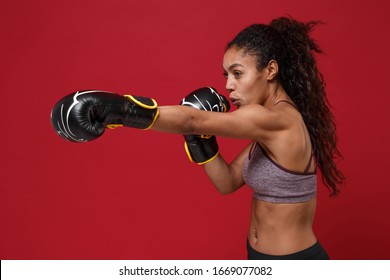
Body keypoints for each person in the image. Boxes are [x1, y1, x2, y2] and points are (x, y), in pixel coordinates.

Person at [51, 16, 345, 260]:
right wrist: (199, 140)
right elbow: (227, 181)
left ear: (270, 70)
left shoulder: (277, 119)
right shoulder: (266, 128)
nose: (228, 85)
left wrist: (120, 109)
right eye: (225, 75)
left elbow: (194, 117)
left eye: (237, 73)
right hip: (260, 260)